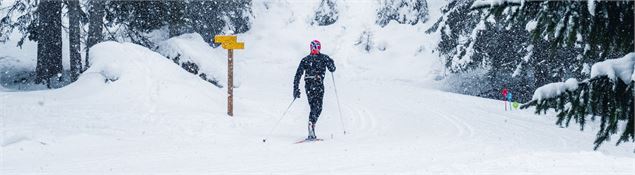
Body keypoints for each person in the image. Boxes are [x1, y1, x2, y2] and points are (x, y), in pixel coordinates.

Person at [293, 40, 336, 140]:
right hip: (317, 84)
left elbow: (298, 75)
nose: (315, 50)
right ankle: (312, 123)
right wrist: (331, 62)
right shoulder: (323, 58)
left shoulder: (306, 59)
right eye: (314, 48)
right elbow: (332, 69)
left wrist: (296, 89)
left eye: (316, 48)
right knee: (318, 107)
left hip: (309, 85)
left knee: (314, 106)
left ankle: (311, 125)